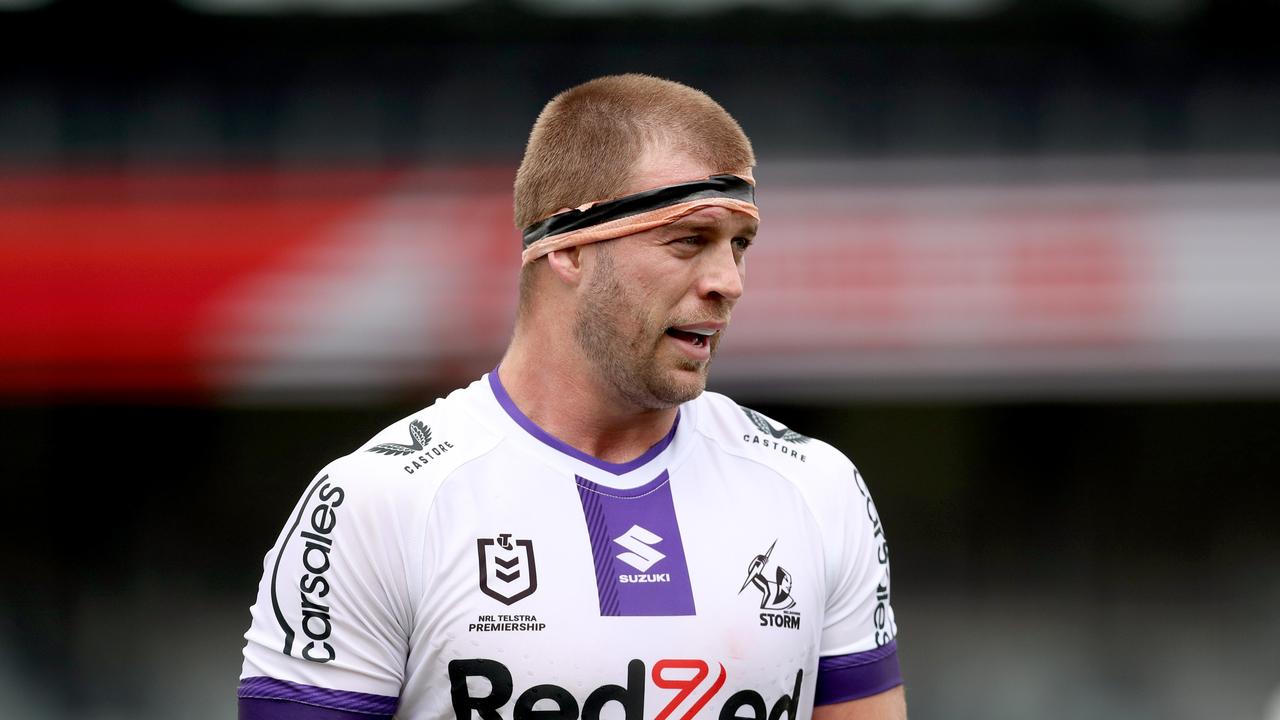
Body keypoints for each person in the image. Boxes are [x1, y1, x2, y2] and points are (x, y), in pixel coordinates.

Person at [238, 74, 905, 720]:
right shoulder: (378, 502)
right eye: (690, 240)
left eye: (740, 245)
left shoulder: (816, 487)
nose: (729, 281)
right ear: (567, 247)